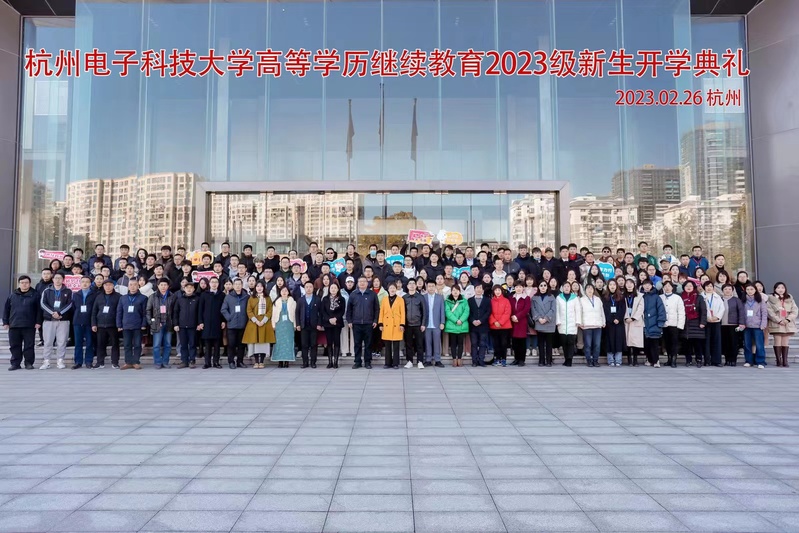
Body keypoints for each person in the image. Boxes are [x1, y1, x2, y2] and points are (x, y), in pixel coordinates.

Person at [4, 275, 40, 370]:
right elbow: (6, 309)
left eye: (26, 283)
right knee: (14, 345)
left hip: (29, 325)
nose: (24, 284)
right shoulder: (12, 295)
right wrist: (5, 322)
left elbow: (39, 310)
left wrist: (38, 322)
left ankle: (28, 363)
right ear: (19, 284)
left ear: (30, 284)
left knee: (29, 345)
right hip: (14, 324)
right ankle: (15, 363)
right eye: (22, 283)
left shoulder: (35, 295)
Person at [39, 272, 73, 370]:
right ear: (52, 279)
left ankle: (60, 361)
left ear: (63, 279)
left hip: (63, 320)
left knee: (62, 341)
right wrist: (52, 313)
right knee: (48, 341)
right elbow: (43, 303)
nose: (58, 280)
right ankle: (46, 361)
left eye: (60, 278)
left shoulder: (68, 291)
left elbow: (70, 304)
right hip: (49, 320)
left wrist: (60, 313)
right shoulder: (46, 291)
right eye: (56, 278)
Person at [347, 276, 380, 369]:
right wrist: (349, 321)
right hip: (356, 323)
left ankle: (367, 362)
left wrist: (375, 320)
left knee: (368, 344)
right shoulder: (353, 294)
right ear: (357, 283)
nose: (362, 283)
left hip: (369, 323)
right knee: (357, 343)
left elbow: (376, 309)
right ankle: (357, 362)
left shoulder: (372, 294)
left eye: (364, 281)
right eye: (360, 281)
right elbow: (349, 309)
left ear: (367, 283)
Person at [243, 280, 275, 368]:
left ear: (264, 288)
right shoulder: (251, 298)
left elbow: (270, 310)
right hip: (254, 323)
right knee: (255, 342)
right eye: (257, 286)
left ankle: (262, 361)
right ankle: (256, 361)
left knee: (263, 343)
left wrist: (264, 320)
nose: (259, 288)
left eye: (261, 286)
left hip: (265, 323)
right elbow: (249, 311)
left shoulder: (267, 298)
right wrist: (256, 321)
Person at [116, 279, 148, 370]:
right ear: (128, 286)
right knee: (127, 345)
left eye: (135, 285)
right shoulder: (123, 298)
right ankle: (128, 362)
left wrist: (144, 324)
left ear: (138, 286)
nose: (133, 287)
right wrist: (119, 325)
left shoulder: (143, 298)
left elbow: (145, 313)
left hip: (138, 325)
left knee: (137, 344)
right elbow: (119, 312)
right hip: (126, 325)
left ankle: (136, 362)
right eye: (131, 285)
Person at [146, 279, 176, 369]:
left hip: (169, 323)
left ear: (168, 286)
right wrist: (152, 322)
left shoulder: (172, 296)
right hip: (157, 324)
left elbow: (175, 311)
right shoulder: (153, 296)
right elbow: (148, 311)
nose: (163, 287)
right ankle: (158, 362)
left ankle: (165, 362)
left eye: (165, 285)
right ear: (158, 286)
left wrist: (174, 322)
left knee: (168, 344)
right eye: (161, 285)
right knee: (156, 345)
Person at [221, 278, 250, 369]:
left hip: (243, 324)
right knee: (231, 344)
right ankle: (231, 361)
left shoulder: (246, 297)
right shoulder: (228, 297)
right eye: (236, 284)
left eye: (239, 284)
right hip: (231, 325)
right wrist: (229, 318)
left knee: (242, 345)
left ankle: (240, 361)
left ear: (242, 285)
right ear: (233, 286)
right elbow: (223, 309)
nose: (237, 286)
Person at [768, 282, 798, 367]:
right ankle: (778, 360)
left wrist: (788, 319)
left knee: (785, 341)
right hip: (776, 323)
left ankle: (785, 360)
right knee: (777, 340)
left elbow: (795, 310)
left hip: (787, 323)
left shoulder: (789, 298)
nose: (780, 289)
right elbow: (769, 312)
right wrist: (778, 320)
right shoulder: (771, 299)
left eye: (782, 288)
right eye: (778, 288)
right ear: (775, 289)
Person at [91, 279, 121, 369]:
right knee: (100, 344)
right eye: (106, 285)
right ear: (103, 286)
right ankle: (100, 362)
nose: (108, 287)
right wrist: (94, 324)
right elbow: (94, 311)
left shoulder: (118, 296)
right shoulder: (99, 296)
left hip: (113, 325)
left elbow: (120, 311)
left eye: (110, 285)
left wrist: (119, 324)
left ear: (113, 286)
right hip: (100, 325)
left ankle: (115, 362)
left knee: (115, 344)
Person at [198, 276, 226, 369]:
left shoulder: (222, 295)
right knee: (207, 344)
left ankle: (216, 362)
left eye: (216, 282)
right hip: (206, 322)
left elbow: (224, 309)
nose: (214, 284)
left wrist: (223, 320)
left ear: (218, 284)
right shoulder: (204, 295)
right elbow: (200, 309)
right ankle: (207, 362)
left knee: (217, 344)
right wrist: (200, 322)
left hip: (217, 321)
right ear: (209, 284)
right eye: (212, 282)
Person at [70, 276, 97, 370]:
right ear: (80, 283)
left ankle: (89, 361)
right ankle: (78, 362)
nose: (85, 283)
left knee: (89, 342)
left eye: (87, 282)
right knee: (78, 343)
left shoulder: (94, 294)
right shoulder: (75, 294)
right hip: (77, 321)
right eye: (83, 282)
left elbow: (95, 308)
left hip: (89, 321)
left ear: (90, 284)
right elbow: (73, 308)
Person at [172, 282, 200, 368]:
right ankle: (184, 361)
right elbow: (175, 313)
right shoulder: (180, 299)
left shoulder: (197, 299)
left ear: (194, 289)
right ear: (184, 289)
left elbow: (199, 313)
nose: (189, 289)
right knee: (183, 344)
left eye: (191, 287)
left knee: (192, 344)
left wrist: (199, 323)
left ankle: (192, 360)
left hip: (193, 326)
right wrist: (176, 324)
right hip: (182, 326)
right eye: (187, 287)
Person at [295, 281, 322, 368]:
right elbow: (297, 313)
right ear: (304, 288)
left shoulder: (317, 299)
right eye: (307, 287)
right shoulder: (300, 300)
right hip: (304, 325)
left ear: (313, 288)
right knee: (304, 345)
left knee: (313, 344)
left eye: (310, 287)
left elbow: (321, 313)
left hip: (314, 325)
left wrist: (319, 324)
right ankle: (305, 362)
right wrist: (298, 324)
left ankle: (313, 362)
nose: (309, 289)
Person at [379, 283, 406, 369]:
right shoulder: (384, 299)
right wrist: (380, 323)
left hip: (396, 324)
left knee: (396, 345)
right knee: (387, 345)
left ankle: (395, 363)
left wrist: (402, 324)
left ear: (396, 289)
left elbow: (403, 313)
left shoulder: (400, 300)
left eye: (394, 288)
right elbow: (381, 312)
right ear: (388, 289)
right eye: (391, 288)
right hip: (386, 324)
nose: (392, 290)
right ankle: (387, 363)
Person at [742, 282, 769, 369]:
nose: (749, 291)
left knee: (759, 345)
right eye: (748, 289)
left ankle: (760, 361)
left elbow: (764, 313)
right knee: (747, 344)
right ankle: (748, 361)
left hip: (758, 326)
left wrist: (763, 324)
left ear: (755, 290)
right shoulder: (743, 300)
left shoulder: (760, 300)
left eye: (752, 289)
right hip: (746, 326)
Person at [641, 279, 667, 368]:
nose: (647, 286)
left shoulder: (656, 297)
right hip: (644, 324)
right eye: (645, 284)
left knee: (654, 344)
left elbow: (661, 310)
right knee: (646, 344)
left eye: (649, 284)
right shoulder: (641, 296)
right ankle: (649, 359)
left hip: (654, 323)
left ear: (652, 286)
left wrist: (660, 322)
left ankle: (656, 361)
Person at [681, 280, 707, 367]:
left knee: (697, 344)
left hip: (697, 323)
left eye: (690, 286)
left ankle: (699, 360)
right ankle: (688, 360)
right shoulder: (681, 297)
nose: (689, 287)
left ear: (694, 287)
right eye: (687, 286)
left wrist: (703, 322)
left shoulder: (699, 297)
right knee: (687, 344)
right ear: (684, 287)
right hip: (685, 323)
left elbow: (703, 311)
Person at [660, 281, 685, 368]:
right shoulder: (660, 297)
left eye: (669, 286)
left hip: (674, 324)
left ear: (672, 288)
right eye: (665, 286)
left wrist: (680, 325)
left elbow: (681, 312)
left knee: (674, 342)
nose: (667, 288)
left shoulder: (677, 298)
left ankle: (674, 360)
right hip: (664, 324)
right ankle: (669, 359)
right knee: (666, 342)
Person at [403, 278, 427, 369]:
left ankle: (420, 361)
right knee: (408, 344)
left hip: (418, 324)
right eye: (410, 283)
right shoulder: (404, 298)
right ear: (407, 286)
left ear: (416, 285)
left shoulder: (420, 297)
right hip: (407, 325)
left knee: (419, 344)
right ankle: (409, 361)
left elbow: (424, 311)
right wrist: (403, 324)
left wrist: (423, 324)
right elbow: (402, 312)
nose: (412, 285)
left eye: (413, 283)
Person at [321, 282, 345, 369]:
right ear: (329, 289)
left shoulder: (341, 299)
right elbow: (323, 311)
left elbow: (342, 311)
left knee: (337, 342)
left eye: (335, 288)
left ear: (338, 289)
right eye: (332, 288)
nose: (333, 289)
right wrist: (329, 319)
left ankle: (336, 362)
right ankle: (330, 361)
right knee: (329, 342)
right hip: (328, 323)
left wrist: (335, 319)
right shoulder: (325, 299)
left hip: (337, 323)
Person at [271, 286, 297, 367]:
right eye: (282, 291)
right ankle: (280, 361)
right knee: (279, 342)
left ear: (288, 292)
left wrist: (295, 325)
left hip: (289, 324)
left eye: (286, 291)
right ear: (280, 292)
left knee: (289, 342)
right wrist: (273, 324)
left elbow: (295, 315)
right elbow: (273, 314)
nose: (284, 292)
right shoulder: (276, 302)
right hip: (279, 324)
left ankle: (287, 361)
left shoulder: (293, 302)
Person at [580, 283, 605, 367]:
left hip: (597, 325)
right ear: (585, 290)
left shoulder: (598, 299)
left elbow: (602, 311)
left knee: (597, 344)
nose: (590, 290)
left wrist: (603, 321)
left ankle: (595, 360)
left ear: (594, 290)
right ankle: (589, 360)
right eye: (588, 288)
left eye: (591, 288)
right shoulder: (582, 300)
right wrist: (580, 322)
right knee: (588, 344)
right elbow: (580, 312)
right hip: (586, 325)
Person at [422, 279, 446, 368]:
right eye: (429, 286)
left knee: (437, 342)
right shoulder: (423, 297)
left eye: (432, 286)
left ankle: (437, 360)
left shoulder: (440, 297)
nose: (431, 288)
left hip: (437, 323)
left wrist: (442, 322)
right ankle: (428, 360)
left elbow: (442, 310)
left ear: (435, 287)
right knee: (427, 342)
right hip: (426, 324)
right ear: (426, 287)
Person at [532, 280, 556, 367]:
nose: (543, 287)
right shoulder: (534, 297)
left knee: (549, 344)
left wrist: (546, 318)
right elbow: (533, 309)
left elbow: (553, 309)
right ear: (538, 287)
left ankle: (549, 360)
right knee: (541, 344)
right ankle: (541, 360)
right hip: (539, 322)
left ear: (547, 287)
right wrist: (539, 318)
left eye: (544, 285)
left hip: (549, 322)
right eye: (541, 285)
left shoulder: (551, 297)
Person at [604, 279, 627, 367]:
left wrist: (618, 318)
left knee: (618, 341)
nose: (612, 286)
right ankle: (610, 360)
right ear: (608, 286)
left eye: (614, 284)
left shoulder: (621, 297)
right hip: (609, 323)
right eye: (610, 285)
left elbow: (623, 309)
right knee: (609, 341)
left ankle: (618, 360)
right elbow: (605, 309)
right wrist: (611, 319)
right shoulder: (605, 297)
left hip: (619, 323)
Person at [445, 285, 470, 367]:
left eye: (457, 290)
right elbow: (447, 312)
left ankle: (459, 358)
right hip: (452, 324)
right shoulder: (447, 301)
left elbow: (466, 311)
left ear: (460, 291)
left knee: (460, 343)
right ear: (451, 291)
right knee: (453, 343)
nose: (455, 292)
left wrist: (461, 320)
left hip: (461, 324)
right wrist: (456, 320)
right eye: (453, 290)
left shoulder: (464, 301)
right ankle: (454, 359)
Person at [721, 283, 745, 367]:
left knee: (734, 343)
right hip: (722, 325)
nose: (727, 291)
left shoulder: (736, 300)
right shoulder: (720, 299)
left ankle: (733, 360)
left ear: (732, 290)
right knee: (725, 343)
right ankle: (727, 360)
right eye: (725, 289)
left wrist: (741, 323)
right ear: (722, 290)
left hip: (734, 324)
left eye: (729, 289)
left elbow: (741, 312)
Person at [702, 280, 725, 367]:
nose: (709, 288)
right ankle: (707, 360)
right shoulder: (701, 296)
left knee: (717, 341)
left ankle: (717, 361)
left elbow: (722, 308)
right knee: (706, 342)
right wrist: (707, 318)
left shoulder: (717, 297)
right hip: (706, 322)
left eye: (711, 286)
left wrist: (717, 317)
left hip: (716, 321)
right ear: (704, 288)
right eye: (707, 286)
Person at [468, 283, 492, 367]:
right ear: (474, 289)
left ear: (483, 290)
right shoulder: (470, 300)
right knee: (474, 344)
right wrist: (473, 320)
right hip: (473, 325)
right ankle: (474, 361)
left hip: (483, 325)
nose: (478, 290)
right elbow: (468, 312)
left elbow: (488, 312)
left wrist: (481, 320)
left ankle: (481, 360)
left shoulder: (487, 300)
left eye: (480, 288)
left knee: (482, 343)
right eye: (477, 288)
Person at [489, 285, 512, 367]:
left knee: (503, 343)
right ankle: (497, 358)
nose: (497, 292)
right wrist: (494, 321)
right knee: (496, 343)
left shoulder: (506, 301)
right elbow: (489, 312)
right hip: (494, 326)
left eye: (499, 290)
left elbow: (507, 313)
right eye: (496, 290)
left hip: (504, 326)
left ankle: (503, 359)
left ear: (502, 291)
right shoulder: (491, 301)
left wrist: (500, 322)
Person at [623, 279, 644, 366]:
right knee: (627, 341)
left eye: (631, 283)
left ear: (634, 285)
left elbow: (641, 308)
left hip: (636, 321)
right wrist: (626, 317)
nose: (629, 285)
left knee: (635, 342)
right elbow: (621, 307)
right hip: (626, 320)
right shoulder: (622, 295)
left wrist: (633, 318)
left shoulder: (640, 296)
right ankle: (629, 359)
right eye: (627, 283)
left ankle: (635, 360)